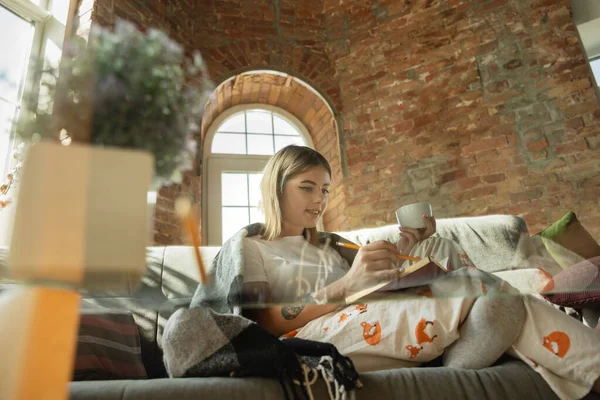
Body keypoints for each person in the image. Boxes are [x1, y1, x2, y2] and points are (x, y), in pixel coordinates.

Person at [240, 145, 600, 399]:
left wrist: (408, 248)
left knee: (503, 305)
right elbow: (259, 324)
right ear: (275, 187)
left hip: (361, 317)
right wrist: (347, 286)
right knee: (479, 285)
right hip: (303, 340)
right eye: (307, 187)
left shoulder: (330, 244)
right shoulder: (251, 246)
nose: (319, 200)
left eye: (324, 190)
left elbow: (380, 283)